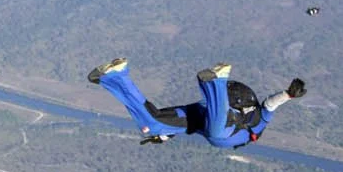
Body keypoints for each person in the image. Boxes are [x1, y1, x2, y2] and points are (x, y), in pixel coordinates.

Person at [87, 59, 305, 149]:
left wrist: (287, 94)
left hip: (217, 127)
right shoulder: (256, 119)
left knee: (152, 126)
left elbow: (269, 105)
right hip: (218, 131)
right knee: (153, 123)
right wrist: (288, 95)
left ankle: (114, 77)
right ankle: (116, 76)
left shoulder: (254, 119)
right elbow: (269, 105)